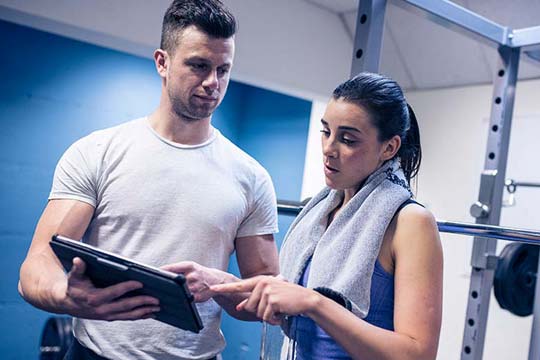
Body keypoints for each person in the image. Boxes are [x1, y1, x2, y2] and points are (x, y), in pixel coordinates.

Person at [18, 0, 279, 359]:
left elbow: (266, 297)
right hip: (95, 353)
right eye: (199, 66)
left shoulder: (251, 177)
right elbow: (36, 265)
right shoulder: (97, 151)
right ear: (162, 62)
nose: (212, 83)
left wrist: (221, 285)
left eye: (223, 69)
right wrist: (67, 296)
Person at [212, 72, 443, 360]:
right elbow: (282, 305)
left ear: (389, 147)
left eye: (347, 139)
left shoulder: (410, 222)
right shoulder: (320, 213)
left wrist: (313, 302)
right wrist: (213, 283)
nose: (328, 149)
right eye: (326, 132)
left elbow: (418, 355)